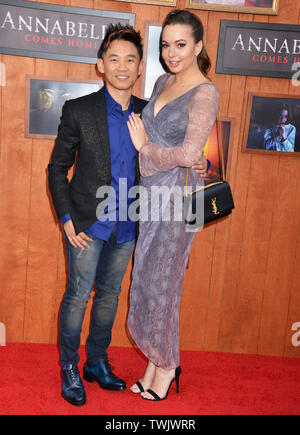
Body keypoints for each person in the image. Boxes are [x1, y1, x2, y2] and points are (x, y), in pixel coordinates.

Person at [48, 23, 208, 407]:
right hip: (87, 224)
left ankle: (97, 362)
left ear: (140, 69)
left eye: (131, 60)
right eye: (114, 58)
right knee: (77, 296)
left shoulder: (147, 111)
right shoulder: (78, 110)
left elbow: (170, 155)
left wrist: (198, 161)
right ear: (100, 64)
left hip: (131, 223)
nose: (122, 66)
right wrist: (66, 219)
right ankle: (70, 365)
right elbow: (56, 169)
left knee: (110, 296)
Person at [127, 9, 219, 401]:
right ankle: (154, 360)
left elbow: (186, 152)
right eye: (166, 45)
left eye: (180, 45)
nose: (171, 53)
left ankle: (166, 367)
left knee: (165, 282)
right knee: (147, 279)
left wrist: (143, 147)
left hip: (177, 202)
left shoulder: (205, 92)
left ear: (198, 46)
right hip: (150, 197)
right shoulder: (164, 80)